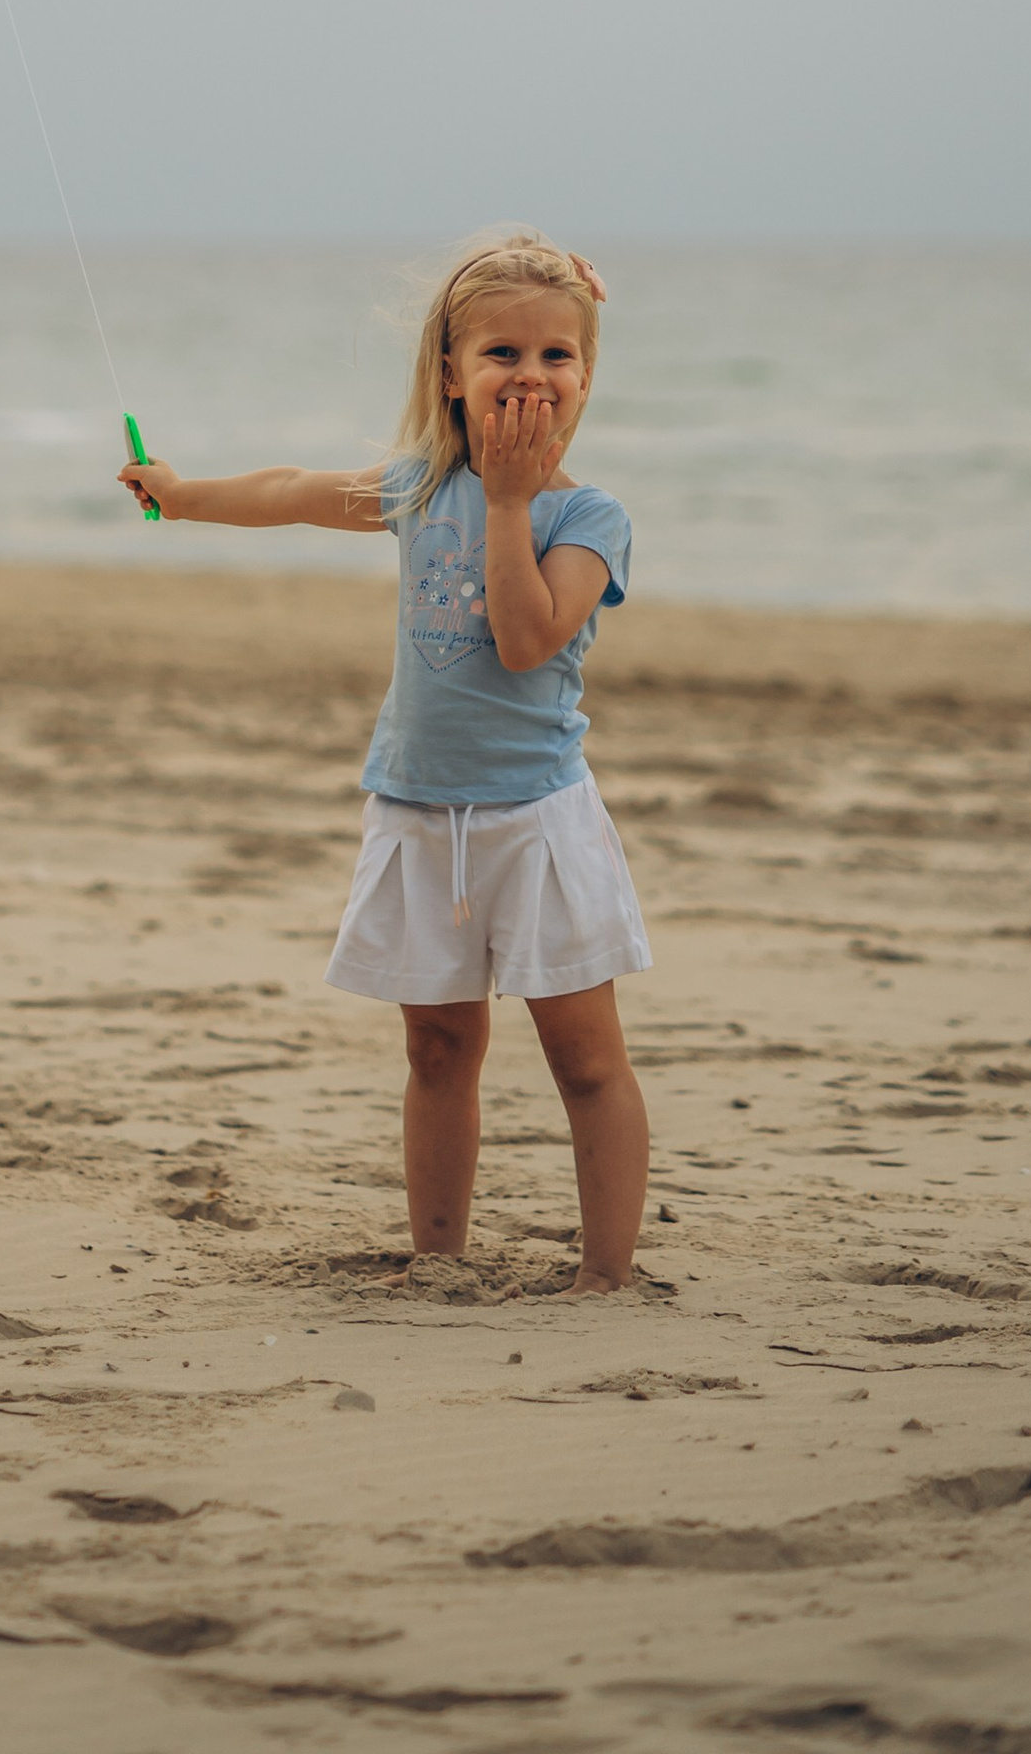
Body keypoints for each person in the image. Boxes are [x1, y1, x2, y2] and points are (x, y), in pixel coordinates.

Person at [118, 230, 650, 1290]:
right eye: (501, 352)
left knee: (583, 1059)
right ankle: (437, 1259)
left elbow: (526, 638)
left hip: (536, 818)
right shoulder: (416, 489)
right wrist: (181, 495)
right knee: (438, 1052)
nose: (529, 376)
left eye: (556, 356)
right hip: (416, 811)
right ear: (449, 375)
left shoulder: (587, 517)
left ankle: (605, 1273)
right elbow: (293, 490)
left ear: (586, 376)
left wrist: (508, 502)